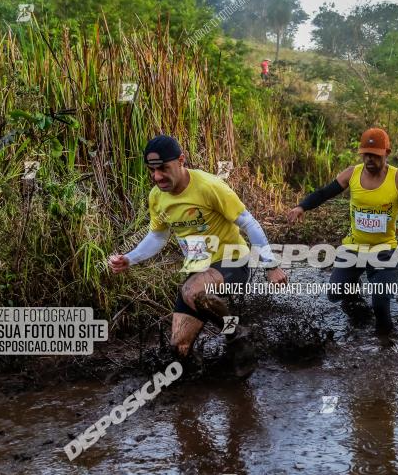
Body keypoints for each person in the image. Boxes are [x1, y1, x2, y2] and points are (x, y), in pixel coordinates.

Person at [109, 135, 288, 370]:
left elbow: (249, 223)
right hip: (198, 270)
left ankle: (237, 335)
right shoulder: (157, 196)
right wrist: (130, 258)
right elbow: (157, 236)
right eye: (152, 170)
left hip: (232, 262)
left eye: (163, 168)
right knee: (179, 349)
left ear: (181, 160)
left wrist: (271, 266)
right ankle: (202, 383)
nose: (157, 177)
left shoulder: (209, 186)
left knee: (192, 290)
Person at [287, 128, 398, 333]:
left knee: (380, 305)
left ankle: (386, 346)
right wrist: (302, 206)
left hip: (384, 250)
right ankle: (358, 306)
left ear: (387, 153)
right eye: (366, 154)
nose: (369, 159)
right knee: (335, 293)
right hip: (354, 247)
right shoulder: (352, 173)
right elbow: (325, 192)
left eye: (375, 155)